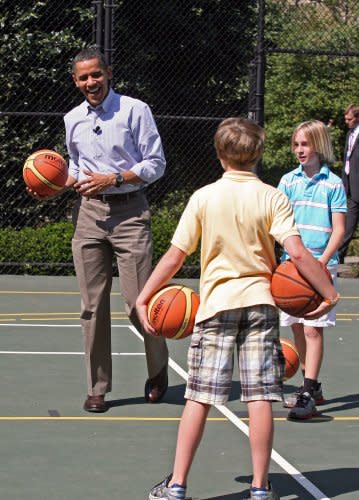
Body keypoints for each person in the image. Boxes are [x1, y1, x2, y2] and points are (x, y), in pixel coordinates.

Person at [136, 117, 339, 500]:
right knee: (260, 396)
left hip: (216, 307)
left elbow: (176, 256)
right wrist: (327, 291)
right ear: (258, 154)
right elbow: (297, 252)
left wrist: (145, 295)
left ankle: (177, 485)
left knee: (199, 395)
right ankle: (261, 488)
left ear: (219, 155)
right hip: (261, 304)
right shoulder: (272, 196)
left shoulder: (204, 197)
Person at [27, 46, 169, 412]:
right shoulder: (72, 118)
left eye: (96, 74)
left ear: (108, 73)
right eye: (83, 77)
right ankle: (98, 387)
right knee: (91, 307)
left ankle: (157, 371)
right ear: (75, 81)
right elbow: (76, 167)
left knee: (140, 305)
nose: (91, 82)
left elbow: (156, 164)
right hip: (88, 215)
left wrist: (116, 177)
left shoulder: (135, 110)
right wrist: (51, 186)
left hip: (130, 213)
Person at [277, 120, 346, 419]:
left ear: (318, 145)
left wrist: (323, 261)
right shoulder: (287, 182)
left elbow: (339, 230)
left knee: (313, 329)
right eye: (296, 144)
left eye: (305, 144)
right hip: (291, 269)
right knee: (297, 328)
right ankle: (312, 384)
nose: (299, 150)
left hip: (320, 267)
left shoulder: (334, 184)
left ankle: (306, 391)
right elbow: (278, 223)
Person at [338, 104, 359, 264]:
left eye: (349, 119)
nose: (347, 122)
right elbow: (347, 161)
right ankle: (336, 259)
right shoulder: (350, 134)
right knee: (346, 228)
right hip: (351, 189)